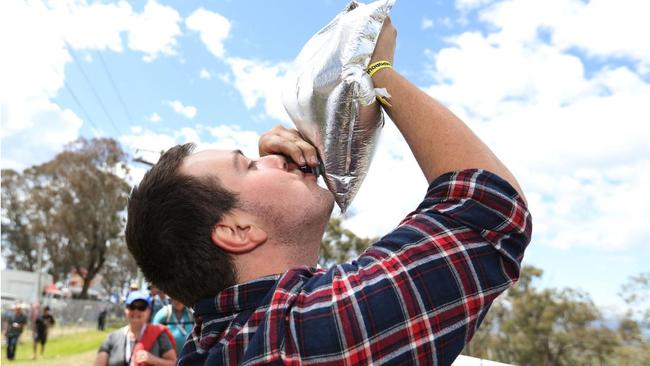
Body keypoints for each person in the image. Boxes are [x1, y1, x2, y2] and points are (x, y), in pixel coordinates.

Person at [126, 17, 532, 365]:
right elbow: (488, 208)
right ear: (236, 232)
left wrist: (307, 151)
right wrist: (375, 67)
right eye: (247, 165)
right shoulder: (299, 338)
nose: (270, 156)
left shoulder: (230, 338)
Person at [93, 291, 177, 366]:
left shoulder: (159, 334)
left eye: (141, 307)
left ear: (148, 311)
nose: (136, 311)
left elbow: (173, 362)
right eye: (132, 306)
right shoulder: (112, 337)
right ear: (126, 310)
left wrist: (153, 360)